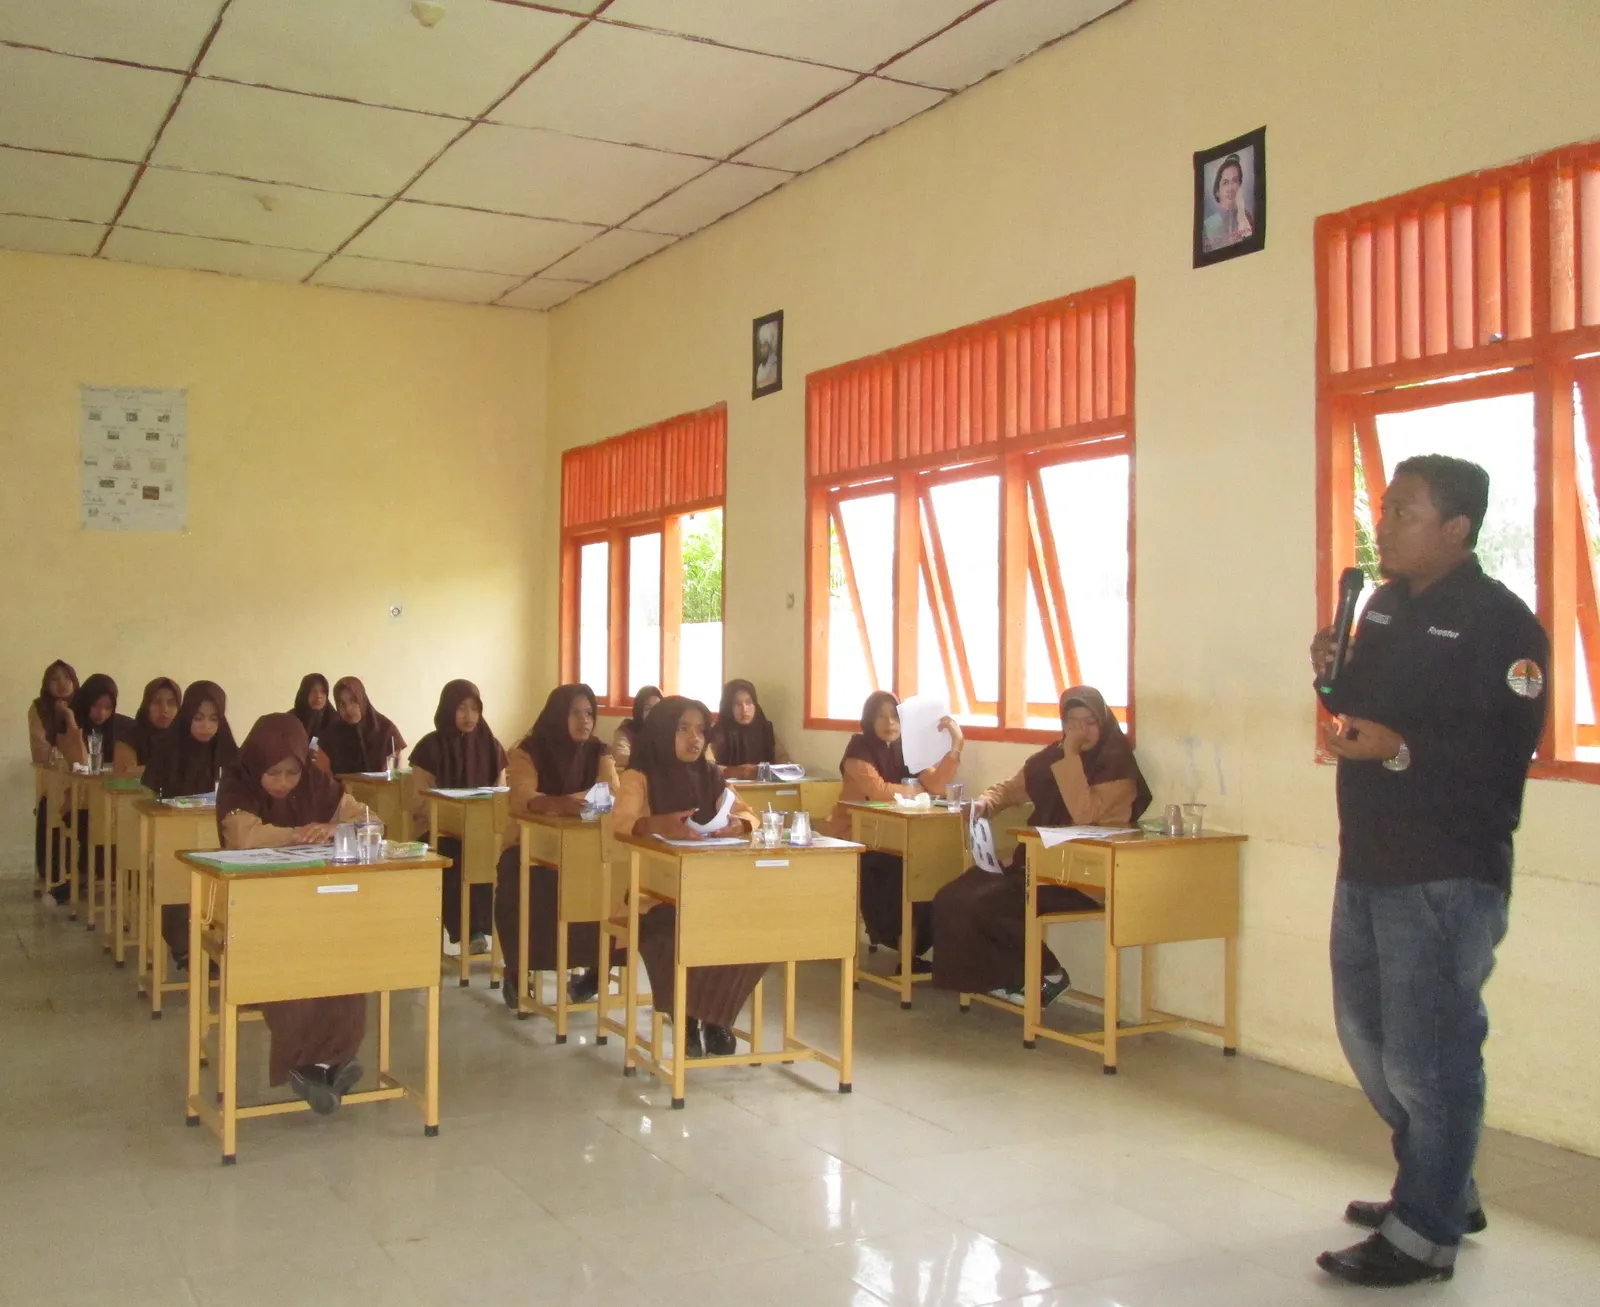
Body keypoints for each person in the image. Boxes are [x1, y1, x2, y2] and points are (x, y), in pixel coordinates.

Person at [1309, 455, 1548, 1287]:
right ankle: (1443, 1186)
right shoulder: (1379, 606)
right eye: (1384, 507)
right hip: (1369, 855)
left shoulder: (1502, 624)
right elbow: (1355, 707)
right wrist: (1328, 669)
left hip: (1446, 871)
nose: (1384, 523)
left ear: (1457, 529)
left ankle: (1424, 1235)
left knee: (1430, 1056)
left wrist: (1402, 749)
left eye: (1403, 511)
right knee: (1369, 1038)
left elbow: (1503, 751)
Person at [930, 687, 1150, 1004]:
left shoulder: (1116, 768)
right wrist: (985, 804)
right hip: (1037, 864)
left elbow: (1083, 813)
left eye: (1089, 722)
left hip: (1081, 876)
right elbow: (1011, 788)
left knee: (990, 904)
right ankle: (1000, 979)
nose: (1079, 731)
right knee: (953, 897)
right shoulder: (1050, 758)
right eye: (1072, 723)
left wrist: (1071, 754)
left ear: (1104, 723)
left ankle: (1050, 974)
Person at [217, 713, 370, 1116]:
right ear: (255, 766)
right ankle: (306, 1064)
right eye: (274, 773)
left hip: (318, 907)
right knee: (290, 966)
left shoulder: (320, 784)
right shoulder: (236, 785)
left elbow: (367, 819)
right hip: (258, 911)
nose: (284, 783)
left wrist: (335, 828)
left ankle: (331, 1062)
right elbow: (243, 836)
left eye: (292, 773)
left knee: (347, 963)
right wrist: (301, 833)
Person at [612, 695, 760, 1057]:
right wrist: (652, 824)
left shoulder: (711, 775)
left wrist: (740, 824)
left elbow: (749, 814)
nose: (695, 738)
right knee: (674, 928)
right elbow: (617, 826)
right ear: (663, 732)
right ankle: (690, 1018)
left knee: (755, 928)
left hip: (711, 889)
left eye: (700, 730)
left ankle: (714, 1015)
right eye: (683, 729)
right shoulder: (638, 777)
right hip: (653, 895)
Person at [493, 684, 619, 1010]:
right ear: (556, 715)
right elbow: (522, 798)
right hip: (530, 847)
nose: (585, 721)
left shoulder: (598, 752)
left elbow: (611, 795)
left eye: (589, 713)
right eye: (575, 713)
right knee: (522, 885)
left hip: (584, 851)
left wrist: (580, 803)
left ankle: (595, 969)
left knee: (611, 890)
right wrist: (566, 804)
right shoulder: (527, 751)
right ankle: (518, 967)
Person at [819, 691, 962, 972]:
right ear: (868, 720)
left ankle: (912, 951)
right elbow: (879, 792)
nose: (889, 723)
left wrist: (956, 744)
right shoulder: (858, 751)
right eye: (881, 716)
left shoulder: (907, 747)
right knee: (899, 873)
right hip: (856, 837)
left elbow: (936, 784)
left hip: (896, 836)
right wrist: (918, 790)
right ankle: (903, 952)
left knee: (930, 868)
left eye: (895, 716)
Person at [143, 681, 239, 970]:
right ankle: (185, 946)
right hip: (175, 840)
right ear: (186, 718)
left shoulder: (229, 751)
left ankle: (220, 945)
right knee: (175, 882)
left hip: (217, 839)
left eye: (213, 719)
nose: (206, 726)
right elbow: (150, 797)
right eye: (198, 718)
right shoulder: (168, 748)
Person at [409, 680, 506, 957]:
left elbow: (500, 795)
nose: (469, 716)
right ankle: (470, 930)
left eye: (475, 709)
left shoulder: (492, 747)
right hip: (438, 831)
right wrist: (453, 814)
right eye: (462, 708)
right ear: (448, 709)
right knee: (454, 856)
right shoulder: (430, 747)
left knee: (492, 855)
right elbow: (417, 800)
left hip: (482, 831)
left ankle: (489, 929)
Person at [27, 659, 78, 891]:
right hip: (51, 779)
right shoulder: (38, 708)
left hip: (81, 781)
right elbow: (40, 751)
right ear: (46, 684)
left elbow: (83, 749)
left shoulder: (83, 707)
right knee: (51, 811)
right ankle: (51, 877)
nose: (62, 684)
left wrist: (69, 717)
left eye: (67, 678)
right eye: (55, 679)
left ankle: (80, 875)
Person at [319, 676, 404, 776]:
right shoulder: (330, 735)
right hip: (343, 791)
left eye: (353, 701)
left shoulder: (386, 730)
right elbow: (325, 777)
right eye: (342, 703)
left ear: (362, 699)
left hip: (380, 790)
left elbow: (394, 776)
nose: (348, 708)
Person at [707, 678, 790, 778]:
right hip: (726, 789)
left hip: (764, 789)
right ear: (728, 707)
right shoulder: (716, 733)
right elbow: (707, 766)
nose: (744, 709)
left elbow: (783, 759)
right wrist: (733, 771)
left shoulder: (765, 729)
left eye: (749, 702)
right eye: (738, 704)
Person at [120, 676, 182, 771]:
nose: (164, 709)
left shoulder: (186, 738)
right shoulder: (130, 739)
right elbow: (122, 777)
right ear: (146, 707)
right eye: (157, 702)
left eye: (171, 703)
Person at [1203, 152, 1255, 252]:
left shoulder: (1247, 217)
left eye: (1235, 180)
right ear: (1217, 191)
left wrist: (1241, 214)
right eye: (1225, 182)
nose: (1230, 188)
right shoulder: (1208, 225)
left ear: (1239, 185)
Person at [610, 685, 661, 771]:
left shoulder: (668, 729)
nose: (653, 714)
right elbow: (619, 756)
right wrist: (647, 760)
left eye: (657, 709)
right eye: (647, 709)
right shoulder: (627, 730)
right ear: (639, 710)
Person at [291, 673, 339, 747]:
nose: (318, 696)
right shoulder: (291, 719)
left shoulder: (335, 720)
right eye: (313, 691)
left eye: (323, 692)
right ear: (305, 693)